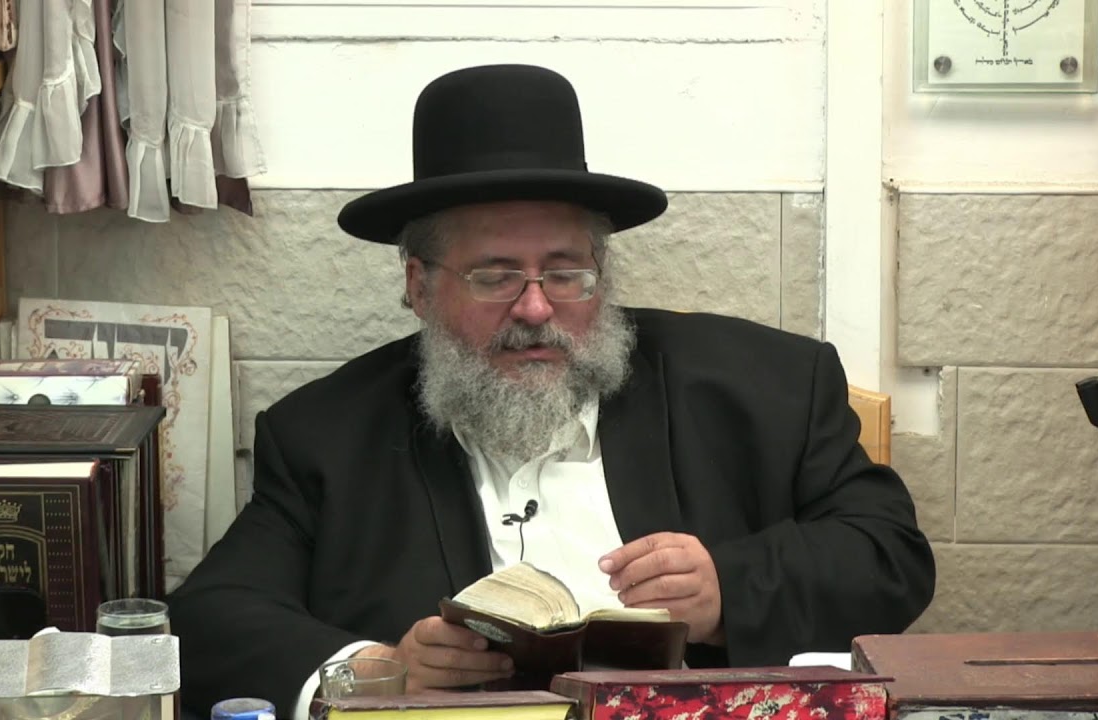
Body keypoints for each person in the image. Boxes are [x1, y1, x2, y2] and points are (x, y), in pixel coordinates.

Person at [167, 63, 936, 720]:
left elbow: (889, 554)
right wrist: (374, 669)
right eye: (494, 276)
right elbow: (207, 620)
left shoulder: (765, 387)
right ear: (419, 286)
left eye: (566, 273)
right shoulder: (325, 435)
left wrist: (728, 590)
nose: (536, 309)